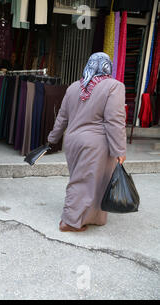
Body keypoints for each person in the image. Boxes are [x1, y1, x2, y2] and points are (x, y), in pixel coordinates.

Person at [48, 52, 127, 232]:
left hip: (73, 141)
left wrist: (52, 138)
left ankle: (91, 217)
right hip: (96, 144)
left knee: (91, 181)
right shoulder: (114, 86)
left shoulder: (75, 86)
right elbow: (114, 121)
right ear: (107, 66)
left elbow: (62, 117)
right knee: (85, 182)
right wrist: (120, 150)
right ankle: (69, 221)